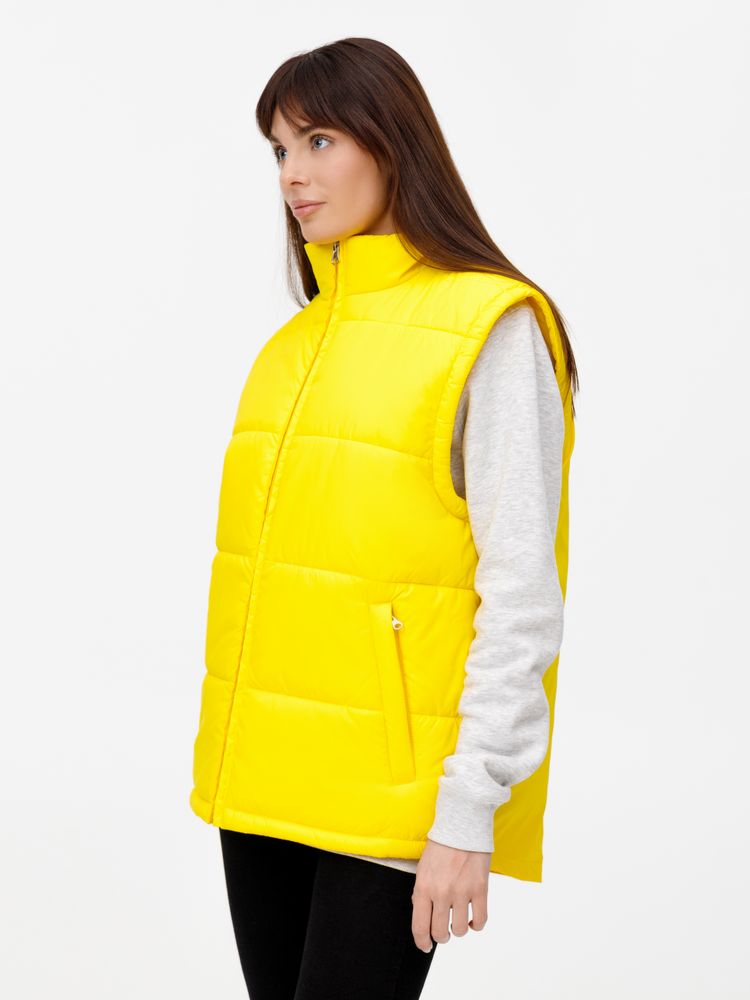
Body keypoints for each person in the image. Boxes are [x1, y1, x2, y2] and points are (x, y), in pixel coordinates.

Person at [189, 36, 578, 1000]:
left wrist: (468, 809)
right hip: (263, 783)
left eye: (318, 140)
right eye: (279, 150)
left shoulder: (491, 326)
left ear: (392, 142)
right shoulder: (294, 345)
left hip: (397, 806)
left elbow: (521, 594)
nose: (293, 174)